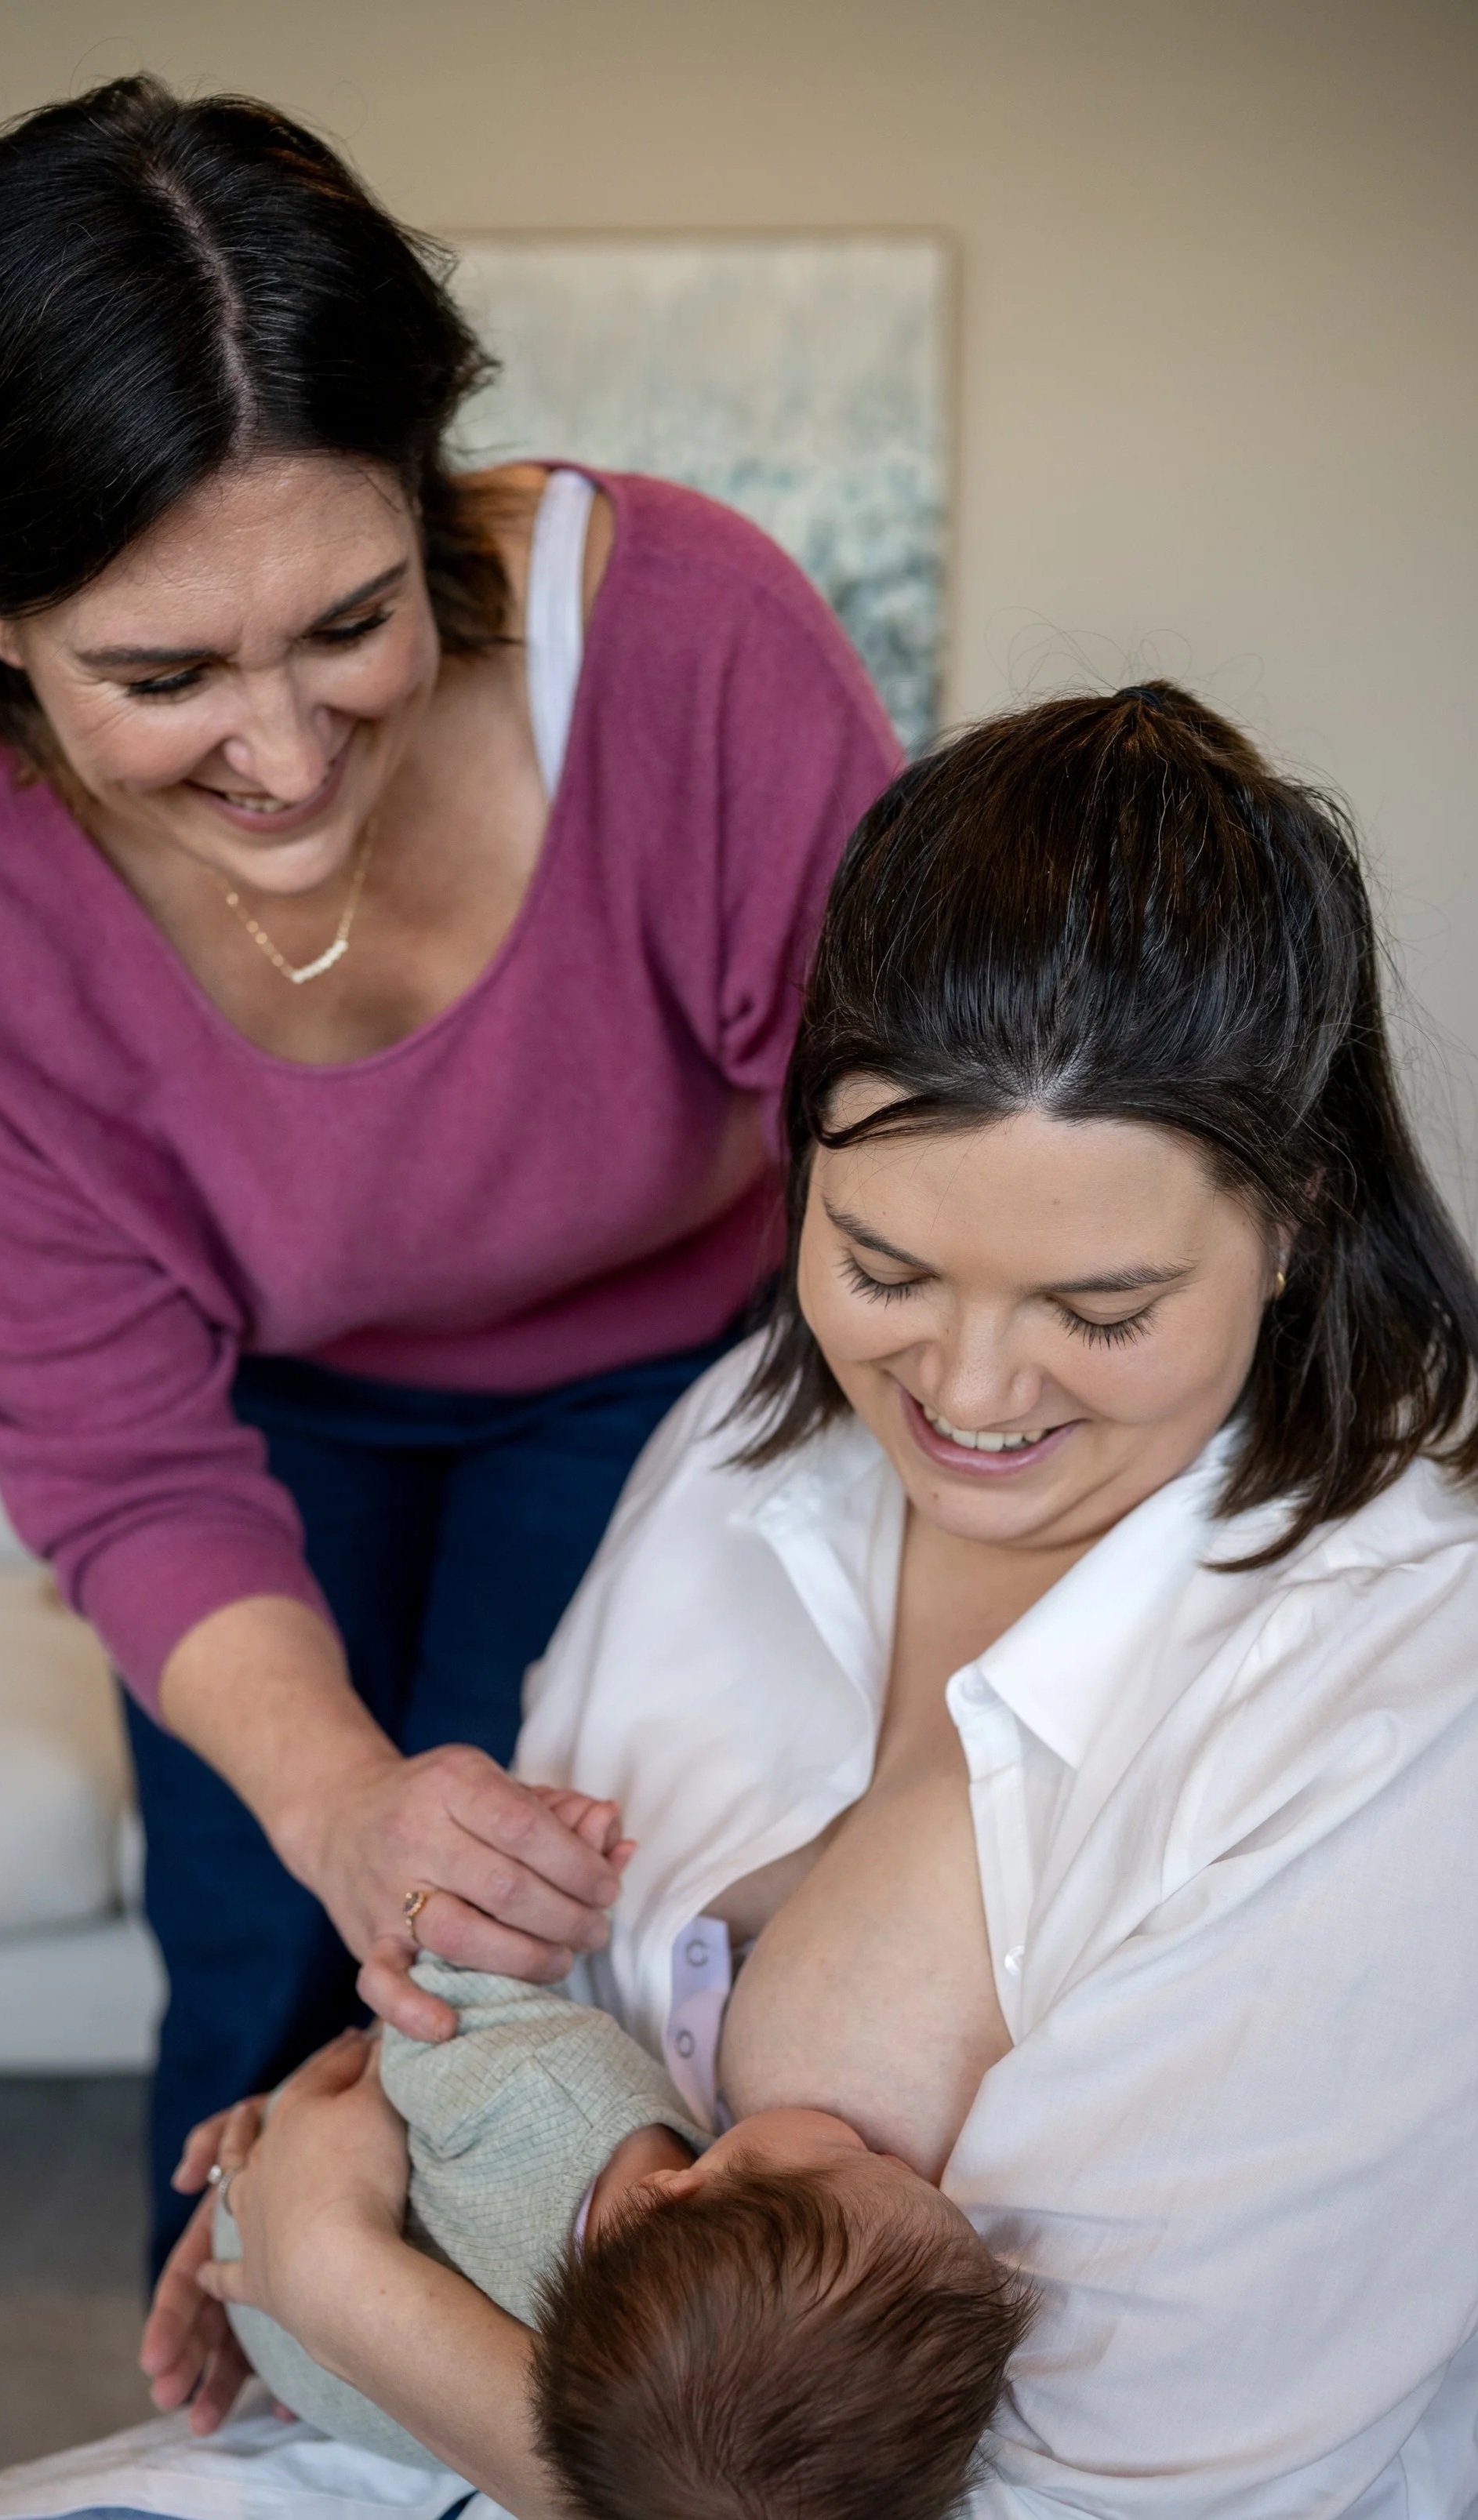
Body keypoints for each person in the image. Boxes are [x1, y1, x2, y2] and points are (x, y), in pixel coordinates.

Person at [154, 685, 1478, 2520]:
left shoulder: (1404, 1712)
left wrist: (360, 2297)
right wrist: (386, 2110)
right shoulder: (751, 1447)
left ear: (1302, 1220)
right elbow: (543, 1974)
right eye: (882, 1264)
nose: (974, 1393)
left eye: (1100, 1311)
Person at [0, 77, 899, 2264]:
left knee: (541, 1945)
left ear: (426, 498)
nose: (287, 751)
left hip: (667, 1369)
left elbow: (899, 1169)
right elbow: (114, 1440)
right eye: (160, 672)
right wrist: (324, 1796)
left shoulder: (687, 642)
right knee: (259, 1953)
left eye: (344, 621)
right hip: (259, 1410)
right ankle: (235, 2434)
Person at [212, 1812, 1024, 2520]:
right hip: (298, 2343)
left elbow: (429, 2003)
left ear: (673, 2194)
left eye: (862, 2156)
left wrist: (510, 1906)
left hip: (267, 2209)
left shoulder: (553, 2087)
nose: (886, 2146)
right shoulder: (629, 2408)